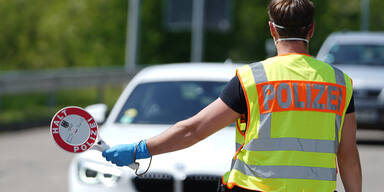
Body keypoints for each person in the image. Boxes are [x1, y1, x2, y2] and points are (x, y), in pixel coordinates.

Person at [102, 0, 362, 191]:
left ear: (272, 29)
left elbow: (194, 130)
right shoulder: (339, 83)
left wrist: (141, 149)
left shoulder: (253, 79)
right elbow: (348, 155)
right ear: (312, 30)